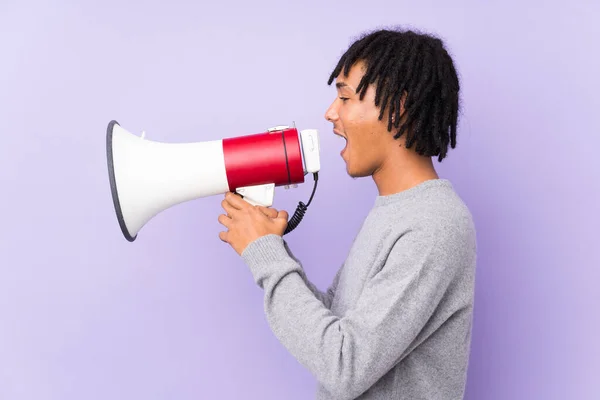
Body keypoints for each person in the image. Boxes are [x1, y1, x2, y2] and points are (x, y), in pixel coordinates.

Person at [217, 27, 477, 400]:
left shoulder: (434, 224)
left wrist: (267, 257)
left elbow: (344, 365)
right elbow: (339, 326)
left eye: (344, 96)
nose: (330, 113)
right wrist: (269, 247)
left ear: (398, 107)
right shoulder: (397, 212)